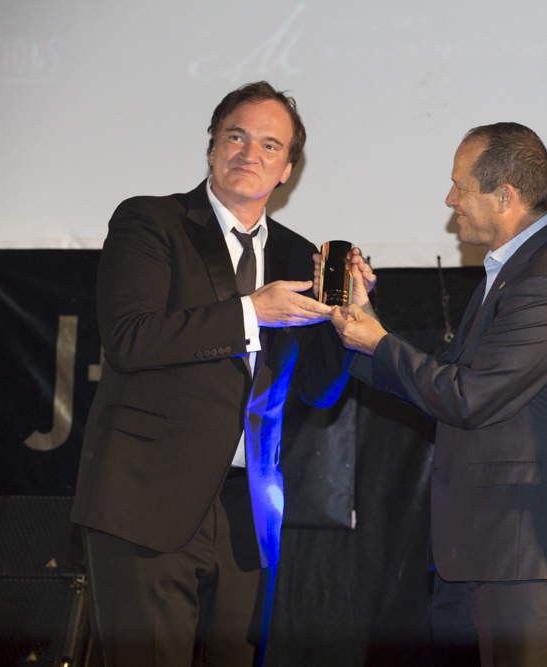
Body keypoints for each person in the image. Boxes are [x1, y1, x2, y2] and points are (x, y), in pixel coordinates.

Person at [71, 81, 374, 666]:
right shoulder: (151, 222)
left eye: (269, 145)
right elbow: (130, 340)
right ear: (212, 147)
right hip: (146, 503)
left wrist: (347, 322)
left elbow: (318, 388)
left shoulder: (297, 256)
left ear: (287, 169)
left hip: (246, 513)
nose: (249, 153)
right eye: (235, 136)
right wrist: (251, 312)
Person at [331, 122, 547, 667]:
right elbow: (442, 384)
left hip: (523, 555)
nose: (449, 199)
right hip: (479, 549)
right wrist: (359, 326)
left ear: (504, 197)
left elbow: (467, 397)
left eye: (460, 187)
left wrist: (379, 341)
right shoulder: (509, 274)